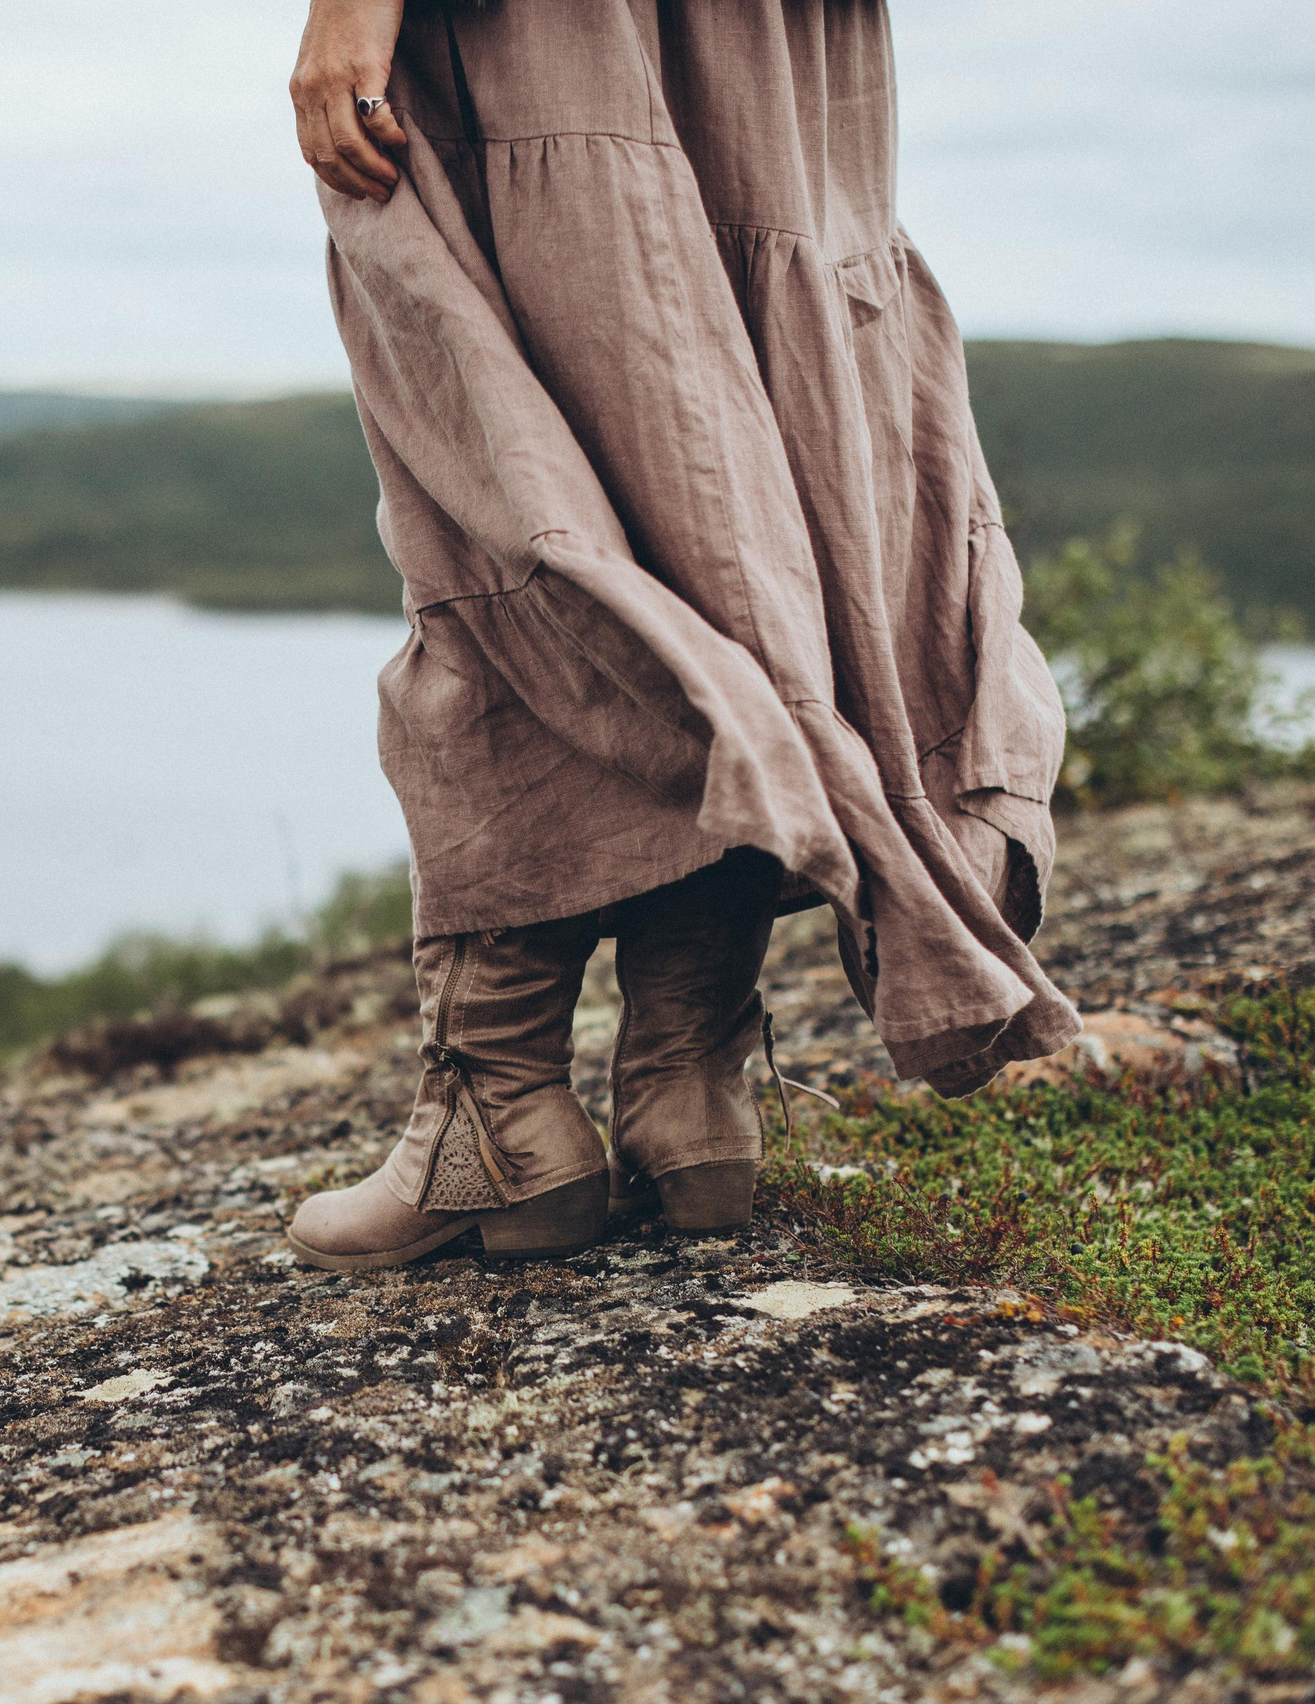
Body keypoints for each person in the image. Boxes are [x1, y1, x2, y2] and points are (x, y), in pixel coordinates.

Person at [281, 0, 1081, 1271]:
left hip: (555, 30)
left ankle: (499, 1113)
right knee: (734, 510)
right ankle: (686, 1091)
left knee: (512, 505)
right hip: (774, 40)